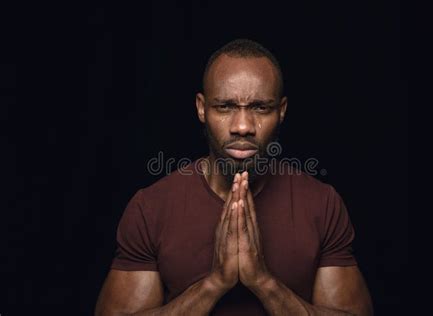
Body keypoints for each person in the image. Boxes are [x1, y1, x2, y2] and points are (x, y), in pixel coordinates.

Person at [95, 39, 373, 315]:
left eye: (260, 108)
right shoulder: (151, 207)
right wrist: (214, 284)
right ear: (202, 108)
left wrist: (263, 283)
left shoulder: (322, 204)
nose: (242, 126)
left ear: (282, 111)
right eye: (225, 107)